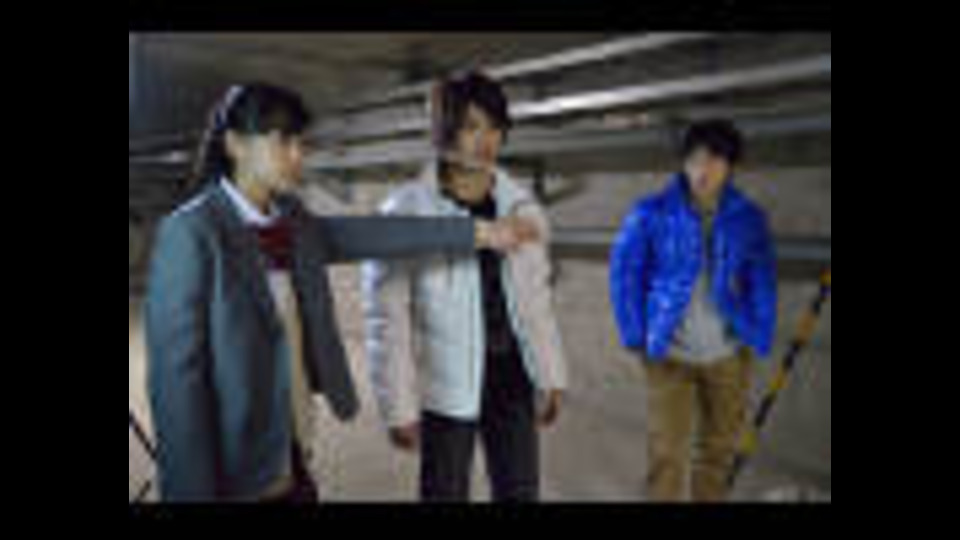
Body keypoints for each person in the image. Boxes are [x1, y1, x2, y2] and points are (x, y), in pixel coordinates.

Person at [144, 82, 540, 503]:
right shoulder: (191, 232)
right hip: (234, 461)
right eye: (282, 142)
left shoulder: (291, 220)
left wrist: (476, 232)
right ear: (235, 144)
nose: (298, 156)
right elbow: (176, 388)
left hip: (293, 443)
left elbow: (371, 234)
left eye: (301, 143)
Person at [362, 71, 568, 502]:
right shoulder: (406, 211)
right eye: (472, 126)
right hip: (445, 387)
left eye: (494, 127)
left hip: (513, 380)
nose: (486, 140)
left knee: (520, 491)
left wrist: (551, 373)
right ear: (445, 130)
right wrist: (398, 406)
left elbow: (537, 302)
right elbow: (386, 319)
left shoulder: (523, 207)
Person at [609, 119, 777, 502]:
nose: (703, 170)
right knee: (667, 455)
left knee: (717, 455)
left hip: (728, 355)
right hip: (670, 355)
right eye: (695, 160)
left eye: (715, 160)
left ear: (730, 166)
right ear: (683, 163)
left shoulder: (748, 218)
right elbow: (625, 273)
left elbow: (762, 278)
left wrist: (760, 328)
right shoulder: (650, 212)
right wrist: (635, 334)